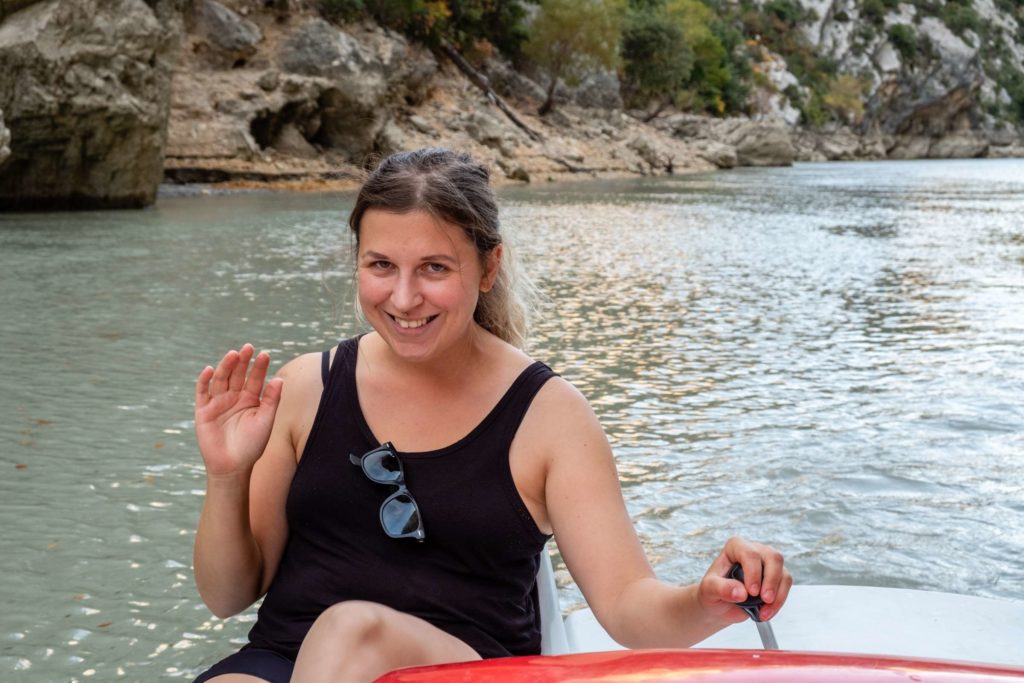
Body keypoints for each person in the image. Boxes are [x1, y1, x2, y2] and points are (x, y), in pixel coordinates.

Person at [191, 148, 792, 683]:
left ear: (488, 268)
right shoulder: (304, 388)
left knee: (353, 633)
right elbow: (226, 597)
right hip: (286, 658)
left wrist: (707, 599)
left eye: (434, 268)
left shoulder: (550, 416)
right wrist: (226, 476)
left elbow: (628, 603)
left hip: (470, 670)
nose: (403, 298)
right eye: (381, 266)